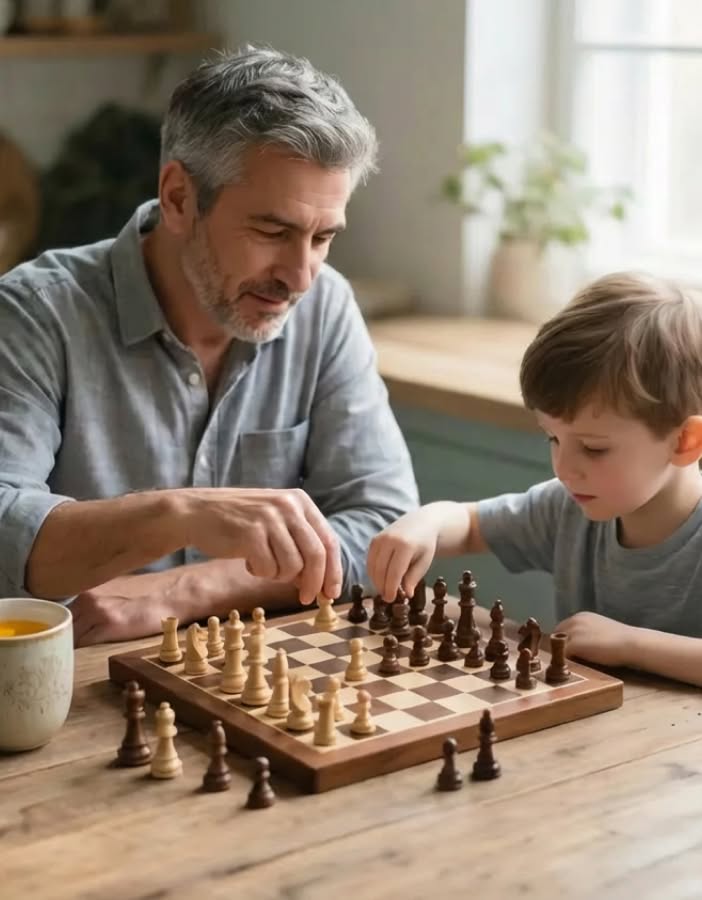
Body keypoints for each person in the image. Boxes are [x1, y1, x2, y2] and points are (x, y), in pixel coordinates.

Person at [0, 46, 418, 646]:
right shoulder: (34, 313)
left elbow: (386, 529)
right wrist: (180, 514)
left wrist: (191, 588)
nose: (300, 275)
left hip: (264, 681)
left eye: (323, 237)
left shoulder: (325, 306)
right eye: (272, 231)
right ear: (177, 199)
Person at [369, 272, 702, 687]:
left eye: (594, 448)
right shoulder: (568, 507)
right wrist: (427, 522)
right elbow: (472, 526)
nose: (563, 467)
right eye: (553, 439)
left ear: (686, 441)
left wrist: (633, 645)